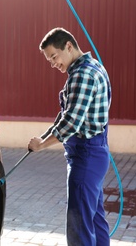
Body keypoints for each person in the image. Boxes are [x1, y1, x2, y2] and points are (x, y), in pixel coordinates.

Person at [28, 27, 111, 245]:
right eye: (50, 61)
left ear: (68, 46)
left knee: (79, 228)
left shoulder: (82, 75)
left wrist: (43, 145)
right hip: (95, 155)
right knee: (94, 220)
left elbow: (72, 122)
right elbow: (65, 116)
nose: (54, 64)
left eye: (54, 57)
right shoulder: (94, 68)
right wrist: (43, 136)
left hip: (85, 157)